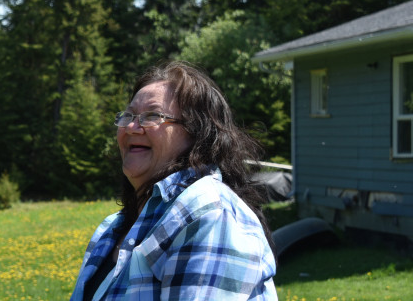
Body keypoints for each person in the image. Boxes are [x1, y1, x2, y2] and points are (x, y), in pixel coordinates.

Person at [70, 61, 278, 300]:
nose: (131, 127)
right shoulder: (111, 229)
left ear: (197, 133)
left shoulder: (208, 213)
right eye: (128, 115)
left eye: (152, 116)